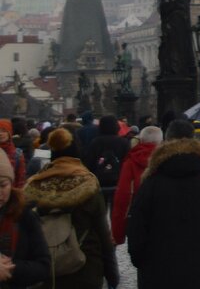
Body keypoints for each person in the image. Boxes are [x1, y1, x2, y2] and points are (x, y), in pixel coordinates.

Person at [126, 120, 200, 289]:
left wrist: (142, 260)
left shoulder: (152, 183)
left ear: (167, 141)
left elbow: (137, 227)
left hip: (157, 271)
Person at [24, 127, 119, 289]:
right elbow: (102, 232)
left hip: (46, 272)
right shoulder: (88, 184)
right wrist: (112, 274)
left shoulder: (34, 186)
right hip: (85, 268)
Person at [0, 137, 50, 287]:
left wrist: (10, 268)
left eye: (2, 185)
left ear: (11, 183)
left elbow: (43, 266)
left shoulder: (24, 215)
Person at [110, 125, 162, 246]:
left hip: (138, 218)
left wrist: (118, 234)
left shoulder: (131, 161)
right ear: (160, 141)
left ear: (141, 140)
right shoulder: (167, 160)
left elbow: (123, 196)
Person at [83, 116, 130, 207]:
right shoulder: (123, 142)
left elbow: (89, 162)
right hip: (118, 180)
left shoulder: (95, 142)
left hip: (99, 181)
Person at [0, 121, 27, 189]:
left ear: (9, 133)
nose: (0, 133)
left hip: (8, 194)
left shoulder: (17, 154)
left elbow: (20, 179)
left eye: (4, 131)